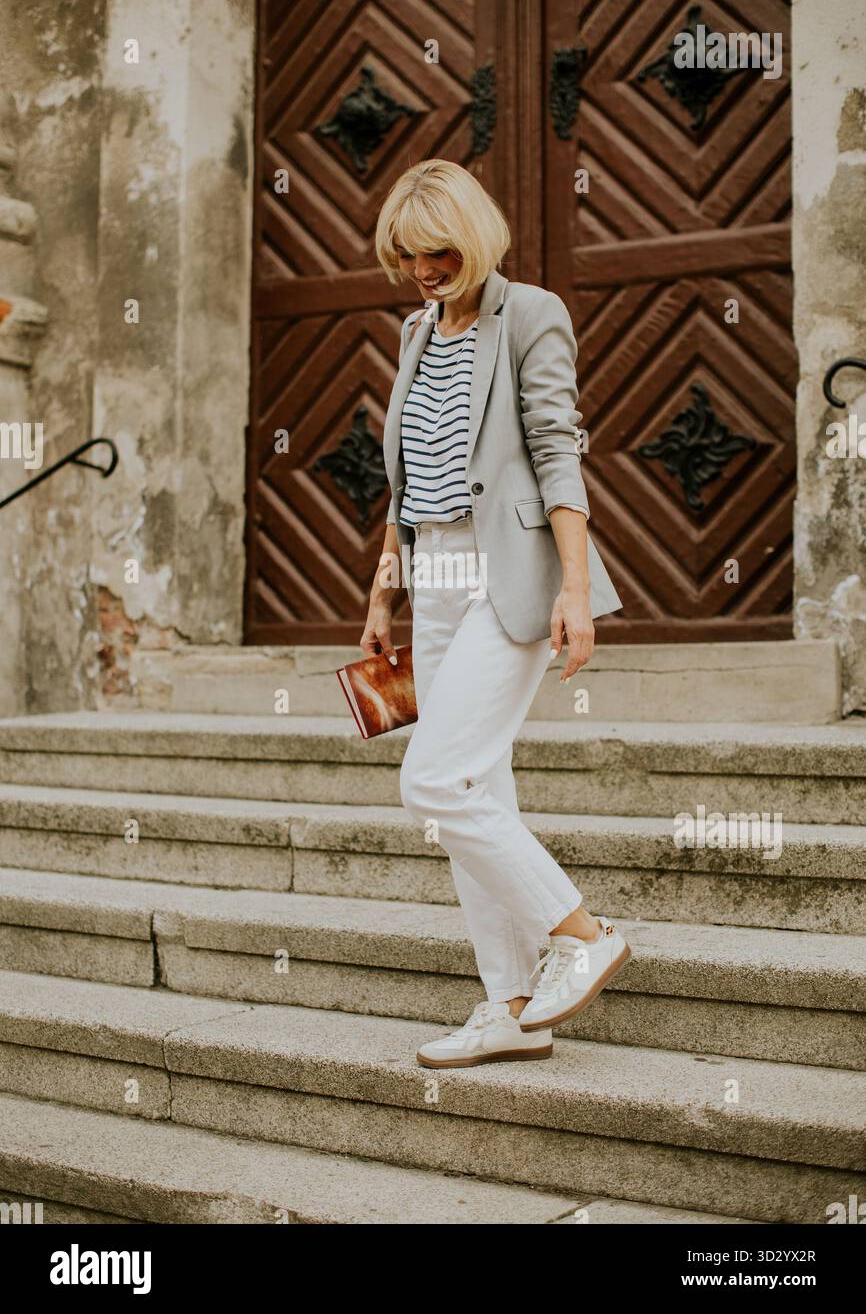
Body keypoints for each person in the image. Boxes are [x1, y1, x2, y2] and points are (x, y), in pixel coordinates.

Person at [362, 159, 630, 1068]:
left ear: (472, 236)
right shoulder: (415, 331)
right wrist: (384, 593)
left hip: (508, 570)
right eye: (406, 258)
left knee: (433, 785)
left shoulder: (532, 314)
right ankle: (510, 1008)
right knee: (474, 785)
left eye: (436, 252)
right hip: (432, 572)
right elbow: (406, 481)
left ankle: (584, 934)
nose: (423, 272)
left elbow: (558, 451)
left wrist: (577, 588)